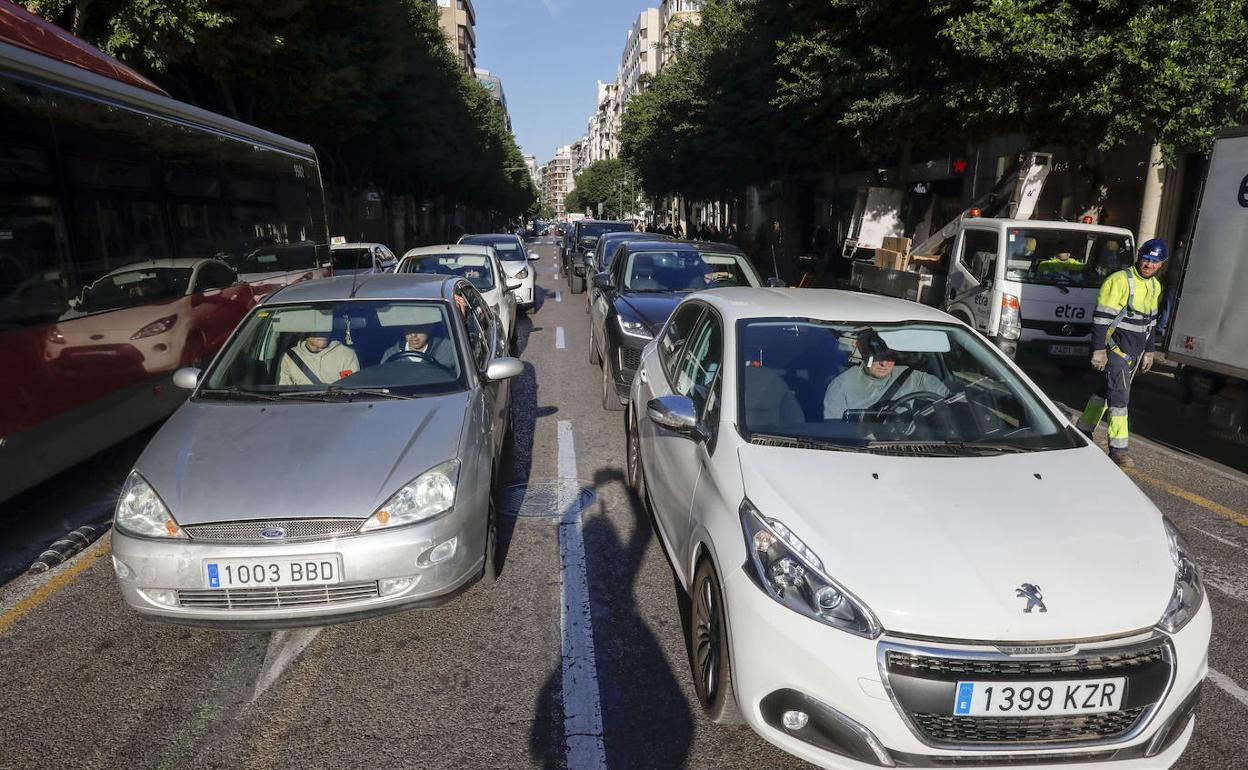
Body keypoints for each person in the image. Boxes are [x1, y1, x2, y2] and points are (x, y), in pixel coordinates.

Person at [1075, 238, 1167, 467]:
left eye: (1154, 261)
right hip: (1115, 350)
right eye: (1146, 258)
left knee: (1106, 391)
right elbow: (1100, 319)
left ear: (1162, 264)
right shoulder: (1118, 281)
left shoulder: (1155, 285)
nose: (1149, 264)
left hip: (1133, 354)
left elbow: (1151, 323)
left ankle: (1083, 429)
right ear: (1139, 256)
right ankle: (1118, 449)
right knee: (1119, 398)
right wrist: (1098, 350)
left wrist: (1149, 351)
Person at [823, 330, 948, 420]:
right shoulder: (842, 386)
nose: (883, 363)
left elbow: (953, 404)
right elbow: (834, 429)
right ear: (863, 353)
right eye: (877, 357)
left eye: (890, 357)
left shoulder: (914, 378)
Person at [279, 332, 360, 385]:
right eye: (316, 329)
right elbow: (283, 390)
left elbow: (350, 389)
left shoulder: (346, 354)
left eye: (326, 328)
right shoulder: (290, 357)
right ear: (305, 333)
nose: (322, 333)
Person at [381, 323, 457, 370]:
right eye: (408, 328)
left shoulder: (447, 349)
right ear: (403, 329)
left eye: (419, 328)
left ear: (430, 327)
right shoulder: (391, 354)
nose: (413, 334)